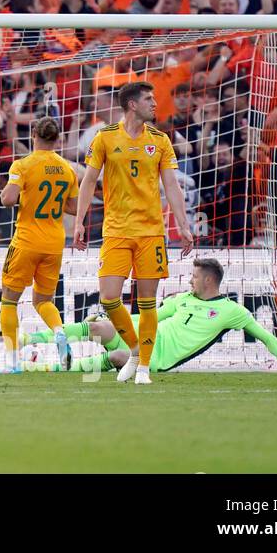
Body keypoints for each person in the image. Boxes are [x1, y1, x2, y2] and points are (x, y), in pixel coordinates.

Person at [73, 81, 194, 385]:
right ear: (132, 105)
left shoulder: (161, 140)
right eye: (149, 99)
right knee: (109, 297)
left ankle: (143, 369)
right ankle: (135, 350)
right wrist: (79, 221)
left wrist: (183, 224)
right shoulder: (104, 137)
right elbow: (88, 182)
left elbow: (172, 185)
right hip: (115, 230)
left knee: (148, 302)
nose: (155, 104)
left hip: (151, 232)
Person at [20, 259, 277, 374]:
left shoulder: (232, 311)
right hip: (144, 337)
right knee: (99, 327)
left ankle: (50, 369)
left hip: (157, 358)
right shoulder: (182, 299)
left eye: (194, 276)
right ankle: (30, 339)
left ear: (208, 281)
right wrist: (116, 319)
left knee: (122, 357)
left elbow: (266, 335)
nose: (190, 279)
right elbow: (149, 317)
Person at [0, 117, 78, 372]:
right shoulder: (67, 169)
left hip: (27, 239)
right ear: (58, 138)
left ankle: (12, 363)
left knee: (9, 301)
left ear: (34, 134)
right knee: (43, 300)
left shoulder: (22, 165)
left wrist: (22, 191)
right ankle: (58, 331)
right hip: (54, 242)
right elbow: (74, 208)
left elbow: (8, 199)